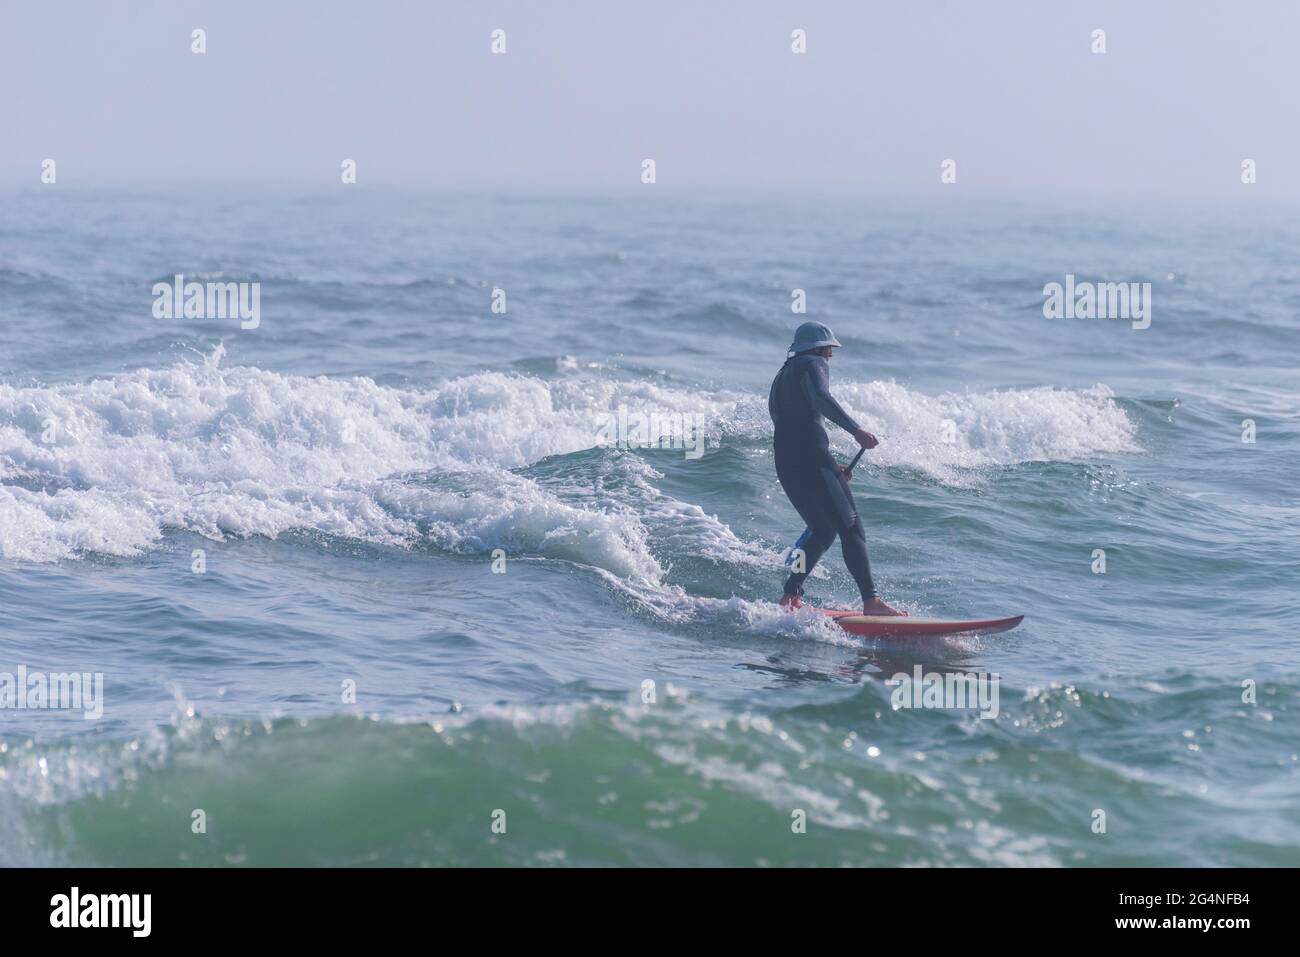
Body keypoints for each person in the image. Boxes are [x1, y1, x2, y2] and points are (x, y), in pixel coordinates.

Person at [768, 321, 906, 616]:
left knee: (822, 529)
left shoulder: (782, 376)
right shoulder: (813, 362)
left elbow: (788, 423)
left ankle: (790, 596)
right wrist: (855, 431)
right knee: (851, 527)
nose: (830, 356)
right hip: (811, 459)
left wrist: (829, 467)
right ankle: (872, 601)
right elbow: (821, 398)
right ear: (820, 348)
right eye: (829, 349)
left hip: (787, 462)